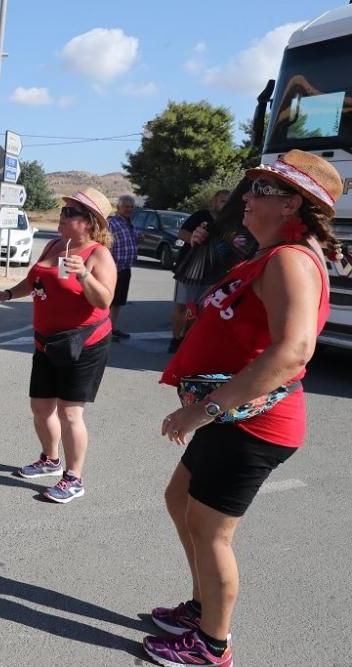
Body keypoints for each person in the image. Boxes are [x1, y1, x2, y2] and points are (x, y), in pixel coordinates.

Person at [144, 150, 340, 667]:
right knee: (179, 499)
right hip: (235, 416)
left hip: (252, 424)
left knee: (211, 531)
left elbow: (294, 350)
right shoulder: (272, 254)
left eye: (259, 190)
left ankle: (212, 645)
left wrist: (202, 411)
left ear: (291, 202)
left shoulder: (291, 260)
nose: (244, 199)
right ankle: (202, 607)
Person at [0, 187, 117, 503]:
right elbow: (33, 282)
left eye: (71, 212)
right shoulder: (56, 245)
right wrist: (7, 293)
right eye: (64, 209)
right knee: (41, 407)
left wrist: (84, 275)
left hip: (83, 344)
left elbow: (105, 300)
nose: (63, 215)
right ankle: (50, 459)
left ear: (90, 222)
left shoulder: (98, 255)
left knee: (70, 412)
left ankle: (74, 477)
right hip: (48, 342)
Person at [168, 190, 230, 353]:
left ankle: (187, 338)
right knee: (182, 305)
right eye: (222, 201)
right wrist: (195, 239)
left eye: (228, 202)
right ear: (215, 202)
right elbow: (182, 233)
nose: (225, 204)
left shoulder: (229, 221)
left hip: (212, 270)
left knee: (200, 307)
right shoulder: (201, 215)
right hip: (190, 268)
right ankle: (175, 339)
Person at [106, 195, 136, 340]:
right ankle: (103, 332)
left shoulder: (129, 223)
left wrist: (138, 237)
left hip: (125, 268)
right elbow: (105, 243)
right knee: (108, 301)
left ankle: (112, 328)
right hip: (113, 269)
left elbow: (129, 238)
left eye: (131, 207)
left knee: (118, 301)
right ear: (118, 208)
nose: (129, 209)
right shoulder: (112, 223)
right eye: (126, 206)